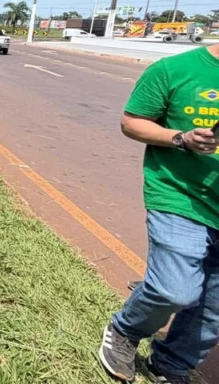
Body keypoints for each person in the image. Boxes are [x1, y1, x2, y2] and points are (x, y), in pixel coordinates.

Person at [97, 44, 219, 384]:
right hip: (181, 194)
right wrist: (181, 138)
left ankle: (172, 363)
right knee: (175, 290)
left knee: (213, 305)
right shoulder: (174, 70)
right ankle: (125, 330)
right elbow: (132, 121)